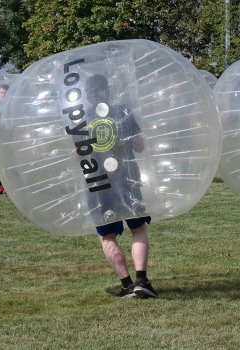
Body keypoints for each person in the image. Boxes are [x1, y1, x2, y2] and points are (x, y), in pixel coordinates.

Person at [83, 74, 156, 298]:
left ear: (87, 95)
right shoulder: (122, 111)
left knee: (107, 236)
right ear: (108, 92)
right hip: (128, 178)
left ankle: (126, 285)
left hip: (98, 183)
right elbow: (140, 145)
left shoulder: (81, 119)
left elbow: (78, 155)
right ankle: (141, 279)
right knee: (138, 228)